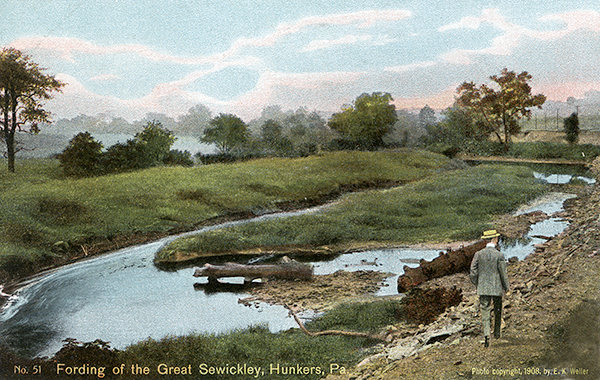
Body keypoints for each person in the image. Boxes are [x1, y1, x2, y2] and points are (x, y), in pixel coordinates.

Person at [470, 229, 509, 347]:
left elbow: (472, 271)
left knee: (485, 311)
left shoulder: (478, 254)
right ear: (495, 239)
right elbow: (503, 273)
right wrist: (506, 287)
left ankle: (487, 335)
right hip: (496, 287)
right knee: (498, 309)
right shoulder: (499, 255)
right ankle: (497, 333)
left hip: (483, 287)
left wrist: (477, 283)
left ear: (485, 240)